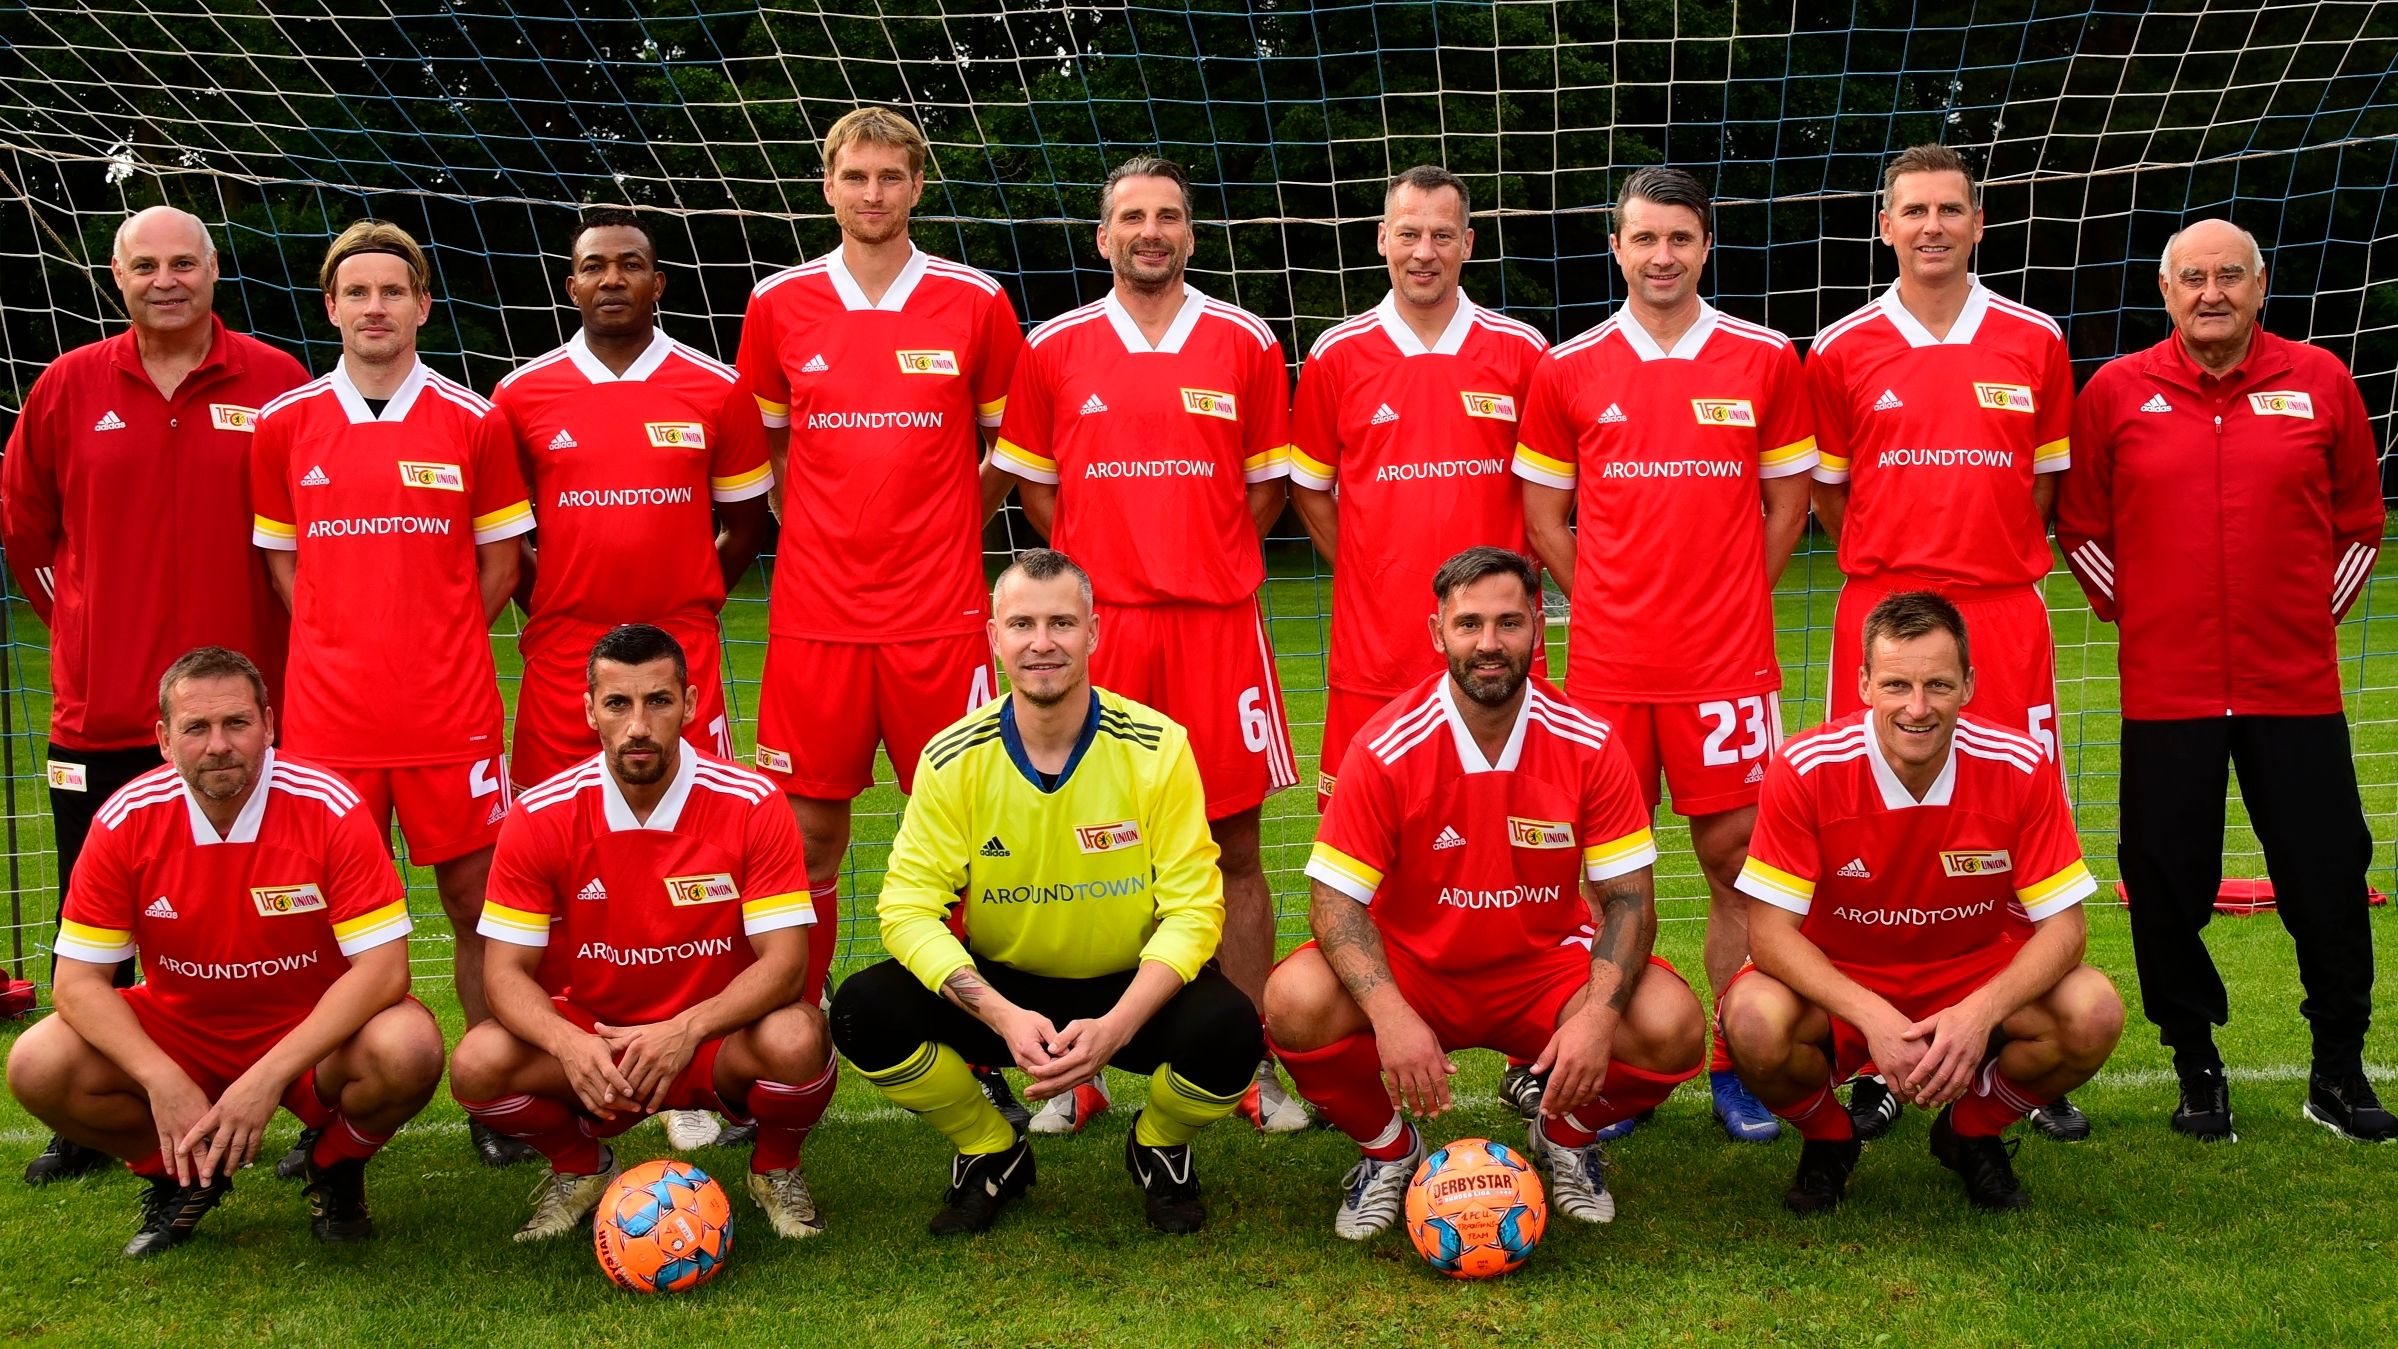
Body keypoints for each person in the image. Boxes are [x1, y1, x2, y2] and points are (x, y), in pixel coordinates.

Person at [2058, 219, 2393, 1143]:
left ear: (2260, 286)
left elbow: (2361, 520)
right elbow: (2081, 526)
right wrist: (2146, 617)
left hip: (2296, 689)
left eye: (2231, 276)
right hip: (2167, 692)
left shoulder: (2320, 379)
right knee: (2165, 882)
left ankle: (2338, 1070)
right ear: (2166, 292)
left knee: (2328, 877)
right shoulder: (2116, 390)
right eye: (2194, 277)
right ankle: (2196, 1067)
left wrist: (2304, 620)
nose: (2213, 292)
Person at [1264, 547, 1705, 1237]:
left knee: (1671, 1023)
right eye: (1469, 624)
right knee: (1294, 999)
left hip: (1544, 970)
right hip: (1416, 967)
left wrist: (1596, 1018)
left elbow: (1629, 901)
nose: (1489, 643)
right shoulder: (1385, 745)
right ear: (1437, 632)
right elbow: (1335, 902)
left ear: (1538, 627)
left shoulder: (1589, 742)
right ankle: (1388, 1152)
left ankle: (1564, 1135)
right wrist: (1388, 1012)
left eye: (1509, 622)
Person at [991, 155, 1301, 1134]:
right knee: (1079, 846)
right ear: (1103, 236)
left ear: (1191, 234)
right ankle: (1070, 1064)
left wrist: (1201, 556)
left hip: (1215, 627)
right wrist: (1102, 580)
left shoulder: (1246, 340)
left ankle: (1246, 1061)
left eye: (1168, 215)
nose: (1150, 231)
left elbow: (1265, 487)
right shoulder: (1053, 346)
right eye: (1132, 216)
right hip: (1104, 632)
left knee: (1232, 847)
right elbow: (1038, 489)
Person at [828, 549, 1264, 1235]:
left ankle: (1158, 1144)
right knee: (861, 1012)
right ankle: (989, 1147)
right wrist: (1002, 1015)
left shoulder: (1158, 747)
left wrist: (1118, 1025)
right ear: (994, 637)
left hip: (1126, 987)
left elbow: (1195, 908)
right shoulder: (951, 757)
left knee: (1235, 1031)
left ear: (1093, 632)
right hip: (1005, 990)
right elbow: (906, 908)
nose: (1042, 642)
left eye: (1061, 622)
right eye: (1022, 624)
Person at [1, 206, 307, 1183]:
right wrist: (85, 632)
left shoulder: (277, 381)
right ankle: (101, 1115)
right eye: (145, 266)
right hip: (103, 712)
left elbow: (307, 529)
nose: (165, 279)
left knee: (280, 911)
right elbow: (26, 529)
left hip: (246, 720)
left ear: (215, 271)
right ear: (117, 277)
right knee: (95, 914)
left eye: (183, 262)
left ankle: (311, 1101)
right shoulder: (66, 385)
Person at [1515, 167, 1816, 1143]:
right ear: (1616, 247)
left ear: (1705, 246)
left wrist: (1729, 600)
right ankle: (1618, 1066)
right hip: (1607, 673)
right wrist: (1608, 602)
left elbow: (1788, 505)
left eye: (1679, 237)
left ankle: (1736, 1060)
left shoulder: (1764, 357)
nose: (1661, 255)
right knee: (1608, 877)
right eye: (1643, 237)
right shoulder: (1567, 367)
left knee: (1740, 867)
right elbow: (1542, 518)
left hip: (1728, 670)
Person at [1801, 144, 2086, 1142]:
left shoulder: (2035, 338)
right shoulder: (1839, 346)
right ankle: (1876, 1050)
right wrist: (1906, 580)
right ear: (1885, 225)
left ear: (1978, 223)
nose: (1932, 226)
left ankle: (2016, 1041)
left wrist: (1980, 564)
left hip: (2003, 613)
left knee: (2023, 823)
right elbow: (1831, 495)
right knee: (1872, 824)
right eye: (1913, 210)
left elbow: (2042, 487)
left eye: (1950, 210)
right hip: (1883, 612)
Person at [249, 219, 536, 1167]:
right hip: (329, 724)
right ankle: (328, 1098)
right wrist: (343, 638)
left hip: (449, 714)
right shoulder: (285, 423)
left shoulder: (473, 419)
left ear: (421, 305)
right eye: (357, 292)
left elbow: (502, 562)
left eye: (392, 291)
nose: (375, 307)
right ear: (331, 307)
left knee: (477, 904)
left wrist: (435, 635)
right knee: (329, 919)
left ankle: (497, 1094)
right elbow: (284, 565)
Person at [492, 208, 776, 1152]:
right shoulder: (521, 394)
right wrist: (555, 602)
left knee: (698, 857)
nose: (611, 278)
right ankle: (580, 1059)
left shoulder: (716, 388)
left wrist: (688, 604)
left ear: (659, 283)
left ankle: (690, 1066)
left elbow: (745, 523)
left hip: (679, 660)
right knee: (558, 864)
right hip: (560, 666)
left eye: (630, 265)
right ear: (570, 284)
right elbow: (507, 537)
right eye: (593, 266)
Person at [735, 106, 1025, 1023]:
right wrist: (818, 528)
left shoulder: (974, 299)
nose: (873, 193)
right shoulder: (777, 303)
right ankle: (797, 1024)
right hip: (815, 620)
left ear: (917, 186)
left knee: (975, 836)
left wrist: (950, 520)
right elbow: (769, 448)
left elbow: (1012, 448)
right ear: (828, 186)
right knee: (807, 836)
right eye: (856, 177)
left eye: (890, 176)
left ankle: (990, 1027)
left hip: (940, 617)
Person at [2, 647, 441, 1254]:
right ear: (164, 739)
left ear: (268, 724)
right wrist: (161, 1078)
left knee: (409, 1048)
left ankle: (335, 1162)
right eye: (196, 728)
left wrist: (266, 1077)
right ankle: (181, 1176)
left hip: (310, 1029)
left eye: (236, 723)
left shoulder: (329, 805)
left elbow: (385, 971)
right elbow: (76, 982)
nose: (218, 745)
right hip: (183, 1029)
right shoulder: (125, 818)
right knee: (37, 1064)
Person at [1721, 592, 2124, 1213]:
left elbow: (2066, 930)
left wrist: (1978, 1014)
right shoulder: (1805, 767)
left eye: (1938, 684)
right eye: (1896, 684)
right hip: (1844, 974)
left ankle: (1971, 1131)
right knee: (1752, 1020)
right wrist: (1874, 1017)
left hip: (1969, 971)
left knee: (2093, 1011)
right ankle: (1830, 1138)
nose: (1917, 707)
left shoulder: (2020, 764)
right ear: (1863, 684)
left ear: (1969, 685)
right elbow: (1769, 935)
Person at [452, 624, 837, 1240]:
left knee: (798, 1036)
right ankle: (580, 1167)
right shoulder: (540, 814)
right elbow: (503, 972)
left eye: (658, 701)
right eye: (617, 704)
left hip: (713, 1037)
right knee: (477, 1062)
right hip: (598, 1042)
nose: (637, 726)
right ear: (589, 711)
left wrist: (687, 1029)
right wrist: (566, 1042)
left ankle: (775, 1167)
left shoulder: (752, 802)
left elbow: (787, 963)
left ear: (689, 704)